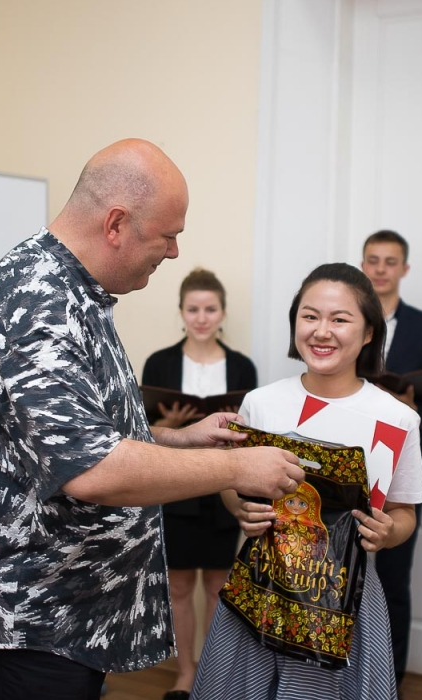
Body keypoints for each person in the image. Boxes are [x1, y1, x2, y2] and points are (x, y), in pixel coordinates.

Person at [0, 139, 306, 700]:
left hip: (63, 617)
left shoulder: (76, 293)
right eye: (167, 234)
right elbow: (94, 468)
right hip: (24, 622)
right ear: (117, 223)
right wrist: (236, 468)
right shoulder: (38, 299)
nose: (174, 252)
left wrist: (182, 440)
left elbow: (83, 435)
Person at [191, 263, 422, 700]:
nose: (322, 331)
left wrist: (389, 532)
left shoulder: (397, 419)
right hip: (259, 589)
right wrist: (238, 507)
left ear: (369, 332)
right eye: (310, 315)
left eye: (339, 319)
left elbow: (404, 514)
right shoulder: (261, 403)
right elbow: (231, 480)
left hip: (344, 597)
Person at [141, 268, 258, 699]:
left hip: (224, 484)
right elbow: (142, 428)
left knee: (217, 585)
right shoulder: (160, 362)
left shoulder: (242, 365)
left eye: (210, 309)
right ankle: (186, 672)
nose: (202, 317)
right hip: (174, 484)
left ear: (223, 312)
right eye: (194, 309)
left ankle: (213, 672)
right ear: (181, 312)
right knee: (178, 585)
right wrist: (167, 424)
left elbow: (254, 431)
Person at [360, 229, 422, 697]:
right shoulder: (347, 321)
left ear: (404, 269)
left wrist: (411, 408)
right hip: (350, 461)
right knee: (341, 573)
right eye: (372, 260)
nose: (380, 269)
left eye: (389, 261)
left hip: (402, 466)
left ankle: (389, 681)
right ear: (362, 266)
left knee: (395, 581)